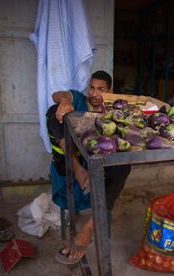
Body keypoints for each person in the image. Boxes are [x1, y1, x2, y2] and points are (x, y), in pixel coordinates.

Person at [46, 70, 131, 263]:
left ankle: (88, 229)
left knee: (124, 164)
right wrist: (65, 100)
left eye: (101, 89)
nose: (94, 93)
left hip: (99, 163)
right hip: (72, 160)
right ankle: (78, 171)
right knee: (53, 111)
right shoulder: (78, 100)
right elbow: (56, 95)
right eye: (92, 87)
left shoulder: (113, 109)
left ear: (110, 91)